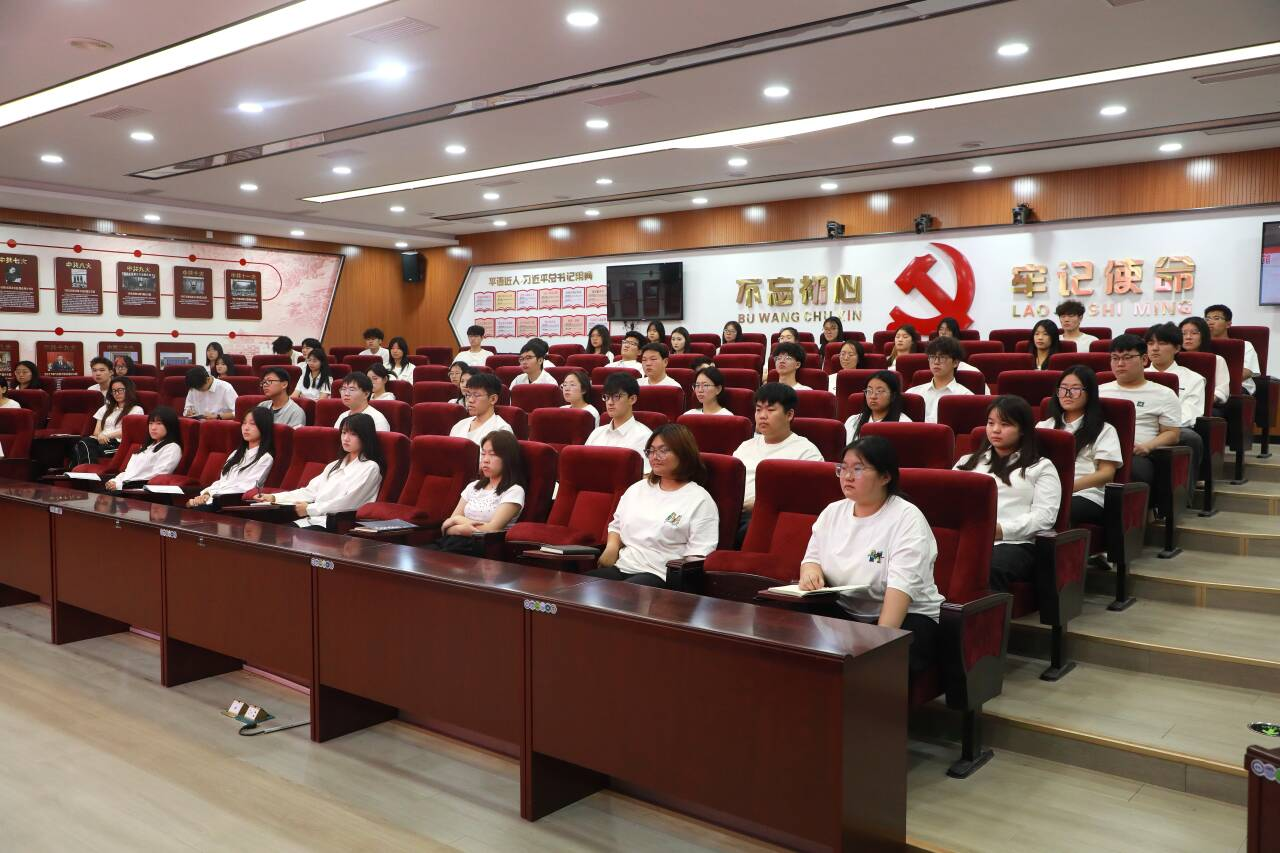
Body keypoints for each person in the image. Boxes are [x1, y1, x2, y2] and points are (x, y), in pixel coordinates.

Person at [798, 436, 944, 675]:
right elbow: (811, 559)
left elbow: (900, 591)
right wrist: (811, 573)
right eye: (843, 468)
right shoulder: (832, 512)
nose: (847, 476)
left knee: (881, 665)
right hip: (847, 612)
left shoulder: (907, 519)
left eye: (858, 469)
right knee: (789, 627)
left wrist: (876, 650)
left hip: (904, 616)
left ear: (885, 476)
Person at [588, 424, 718, 587]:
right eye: (651, 451)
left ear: (684, 453)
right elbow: (617, 526)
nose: (655, 456)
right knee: (581, 587)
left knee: (621, 594)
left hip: (661, 576)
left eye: (663, 450)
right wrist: (612, 548)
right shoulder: (637, 489)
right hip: (623, 567)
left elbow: (698, 556)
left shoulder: (700, 500)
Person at [954, 396, 1061, 592]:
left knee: (987, 567)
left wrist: (999, 530)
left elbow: (1044, 517)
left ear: (1022, 429)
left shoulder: (1041, 467)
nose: (995, 430)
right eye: (990, 423)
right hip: (966, 539)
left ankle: (987, 613)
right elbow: (949, 502)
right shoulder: (967, 462)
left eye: (1005, 424)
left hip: (1015, 543)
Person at [253, 412, 383, 529]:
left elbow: (349, 502)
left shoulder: (370, 467)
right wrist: (274, 497)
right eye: (344, 432)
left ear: (365, 437)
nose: (346, 438)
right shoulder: (334, 465)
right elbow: (310, 492)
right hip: (312, 519)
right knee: (271, 532)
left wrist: (310, 508)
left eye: (353, 434)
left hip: (336, 525)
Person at [732, 383, 824, 543]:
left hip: (770, 520)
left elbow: (805, 501)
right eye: (758, 409)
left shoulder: (807, 452)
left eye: (770, 410)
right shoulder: (745, 446)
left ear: (789, 414)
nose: (762, 416)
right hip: (733, 513)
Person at [1037, 366, 1122, 526]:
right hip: (1044, 491)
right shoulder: (1044, 426)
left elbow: (1106, 474)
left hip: (1085, 494)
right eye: (1063, 389)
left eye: (1075, 389)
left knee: (1055, 512)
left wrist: (1064, 488)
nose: (1067, 394)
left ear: (1089, 393)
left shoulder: (1104, 430)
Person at [1099, 335, 1182, 487]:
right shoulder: (1099, 391)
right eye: (1115, 358)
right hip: (1099, 451)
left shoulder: (1164, 394)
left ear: (1144, 360)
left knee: (1133, 472)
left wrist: (1148, 446)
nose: (1120, 364)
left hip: (1136, 454)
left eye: (1127, 358)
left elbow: (1172, 433)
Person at [430, 431, 527, 555]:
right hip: (451, 541)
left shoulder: (514, 491)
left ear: (508, 459)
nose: (485, 460)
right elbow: (447, 526)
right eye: (483, 454)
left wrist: (458, 521)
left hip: (480, 548)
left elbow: (491, 529)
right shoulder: (473, 486)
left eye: (492, 454)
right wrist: (460, 529)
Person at [1145, 323, 1206, 487]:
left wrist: (1163, 428)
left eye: (1162, 343)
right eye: (1150, 343)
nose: (1155, 348)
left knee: (1190, 437)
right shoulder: (1137, 375)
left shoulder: (1193, 379)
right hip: (1140, 425)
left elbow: (1191, 413)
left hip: (1174, 428)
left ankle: (1184, 491)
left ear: (1177, 348)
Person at [187, 408, 275, 509]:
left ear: (263, 427)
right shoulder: (236, 453)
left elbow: (246, 488)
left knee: (194, 509)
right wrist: (206, 494)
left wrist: (211, 496)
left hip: (230, 502)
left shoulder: (265, 458)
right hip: (215, 497)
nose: (246, 428)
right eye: (244, 423)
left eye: (252, 424)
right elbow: (222, 481)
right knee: (187, 506)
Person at [105, 407, 183, 491]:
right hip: (124, 487)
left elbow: (157, 478)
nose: (153, 428)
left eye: (159, 423)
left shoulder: (172, 448)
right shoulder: (146, 446)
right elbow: (129, 473)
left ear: (170, 426)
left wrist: (121, 485)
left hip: (140, 492)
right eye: (151, 423)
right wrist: (114, 481)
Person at [586, 371, 652, 470]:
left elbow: (646, 475)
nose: (609, 402)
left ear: (632, 399)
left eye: (616, 396)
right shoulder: (596, 433)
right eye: (607, 397)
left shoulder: (644, 437)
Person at [72, 376, 143, 466]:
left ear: (129, 390)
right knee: (83, 443)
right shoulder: (105, 408)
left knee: (82, 447)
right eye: (114, 391)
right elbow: (96, 432)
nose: (117, 393)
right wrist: (100, 436)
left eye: (120, 390)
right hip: (101, 440)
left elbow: (128, 432)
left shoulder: (136, 410)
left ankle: (86, 469)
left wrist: (106, 435)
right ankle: (88, 469)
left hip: (119, 443)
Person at [907, 336, 973, 423]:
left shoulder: (965, 396)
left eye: (942, 357)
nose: (936, 362)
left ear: (955, 362)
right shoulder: (913, 393)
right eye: (932, 357)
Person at [1205, 304, 1259, 394]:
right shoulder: (1201, 345)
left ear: (1228, 324)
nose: (1210, 322)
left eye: (1216, 318)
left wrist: (1219, 384)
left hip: (1238, 387)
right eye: (1207, 319)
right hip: (1207, 386)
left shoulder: (1244, 345)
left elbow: (1246, 372)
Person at [845, 370, 911, 442]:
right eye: (869, 391)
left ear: (893, 396)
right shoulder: (853, 421)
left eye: (879, 391)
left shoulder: (904, 424)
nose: (873, 396)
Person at [1179, 316, 1229, 409]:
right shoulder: (1173, 359)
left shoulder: (1216, 360)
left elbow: (1222, 391)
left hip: (1206, 405)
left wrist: (1201, 401)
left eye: (1194, 333)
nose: (1188, 337)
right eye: (1183, 333)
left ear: (1204, 335)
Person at [450, 373, 512, 444]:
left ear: (493, 399)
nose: (470, 400)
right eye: (468, 395)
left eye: (476, 395)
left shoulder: (501, 430)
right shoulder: (459, 425)